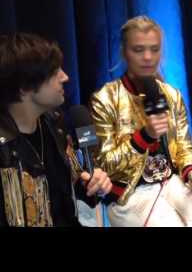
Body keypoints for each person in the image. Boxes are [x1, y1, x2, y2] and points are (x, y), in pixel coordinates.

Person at [90, 15, 192, 227]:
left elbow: (185, 146)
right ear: (124, 52)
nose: (148, 57)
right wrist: (143, 137)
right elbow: (104, 165)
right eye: (138, 50)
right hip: (131, 194)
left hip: (172, 183)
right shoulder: (105, 99)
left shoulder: (171, 94)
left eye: (154, 49)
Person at [0, 33, 112, 227]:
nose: (65, 77)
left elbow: (71, 191)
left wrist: (92, 185)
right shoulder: (4, 149)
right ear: (24, 87)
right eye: (54, 72)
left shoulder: (54, 125)